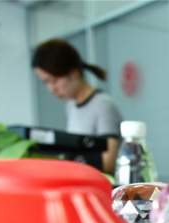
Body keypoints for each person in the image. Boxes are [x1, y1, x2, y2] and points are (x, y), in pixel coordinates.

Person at [32, 39, 122, 174]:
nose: (51, 89)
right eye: (46, 82)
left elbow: (109, 162)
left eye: (54, 80)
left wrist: (65, 159)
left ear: (74, 72)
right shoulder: (71, 106)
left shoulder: (103, 105)